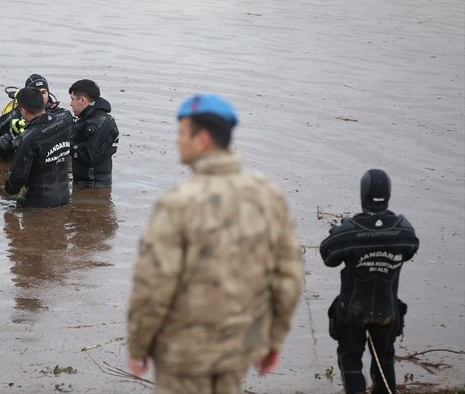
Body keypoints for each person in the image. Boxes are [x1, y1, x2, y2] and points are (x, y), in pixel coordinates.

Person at [127, 94, 304, 394]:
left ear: (203, 139)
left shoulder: (177, 203)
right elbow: (289, 277)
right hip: (239, 349)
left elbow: (154, 285)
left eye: (182, 133)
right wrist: (273, 340)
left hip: (182, 355)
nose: (176, 141)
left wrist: (138, 344)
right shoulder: (269, 194)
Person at [320, 169, 419, 394]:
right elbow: (411, 248)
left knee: (350, 357)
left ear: (363, 194)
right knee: (384, 360)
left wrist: (338, 231)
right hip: (387, 310)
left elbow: (328, 256)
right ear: (388, 195)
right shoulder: (403, 228)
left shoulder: (351, 232)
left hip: (353, 311)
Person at [3, 87, 71, 208]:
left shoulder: (27, 140)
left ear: (23, 111)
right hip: (64, 198)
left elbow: (14, 185)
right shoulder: (65, 120)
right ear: (43, 103)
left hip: (38, 205)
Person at [0, 74, 72, 162]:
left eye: (44, 92)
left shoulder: (59, 114)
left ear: (48, 93)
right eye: (38, 93)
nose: (41, 97)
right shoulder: (14, 117)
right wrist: (2, 146)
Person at [68, 79, 119, 188]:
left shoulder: (100, 123)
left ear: (82, 100)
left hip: (93, 188)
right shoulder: (87, 118)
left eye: (72, 99)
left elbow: (90, 157)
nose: (70, 104)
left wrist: (67, 143)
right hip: (83, 184)